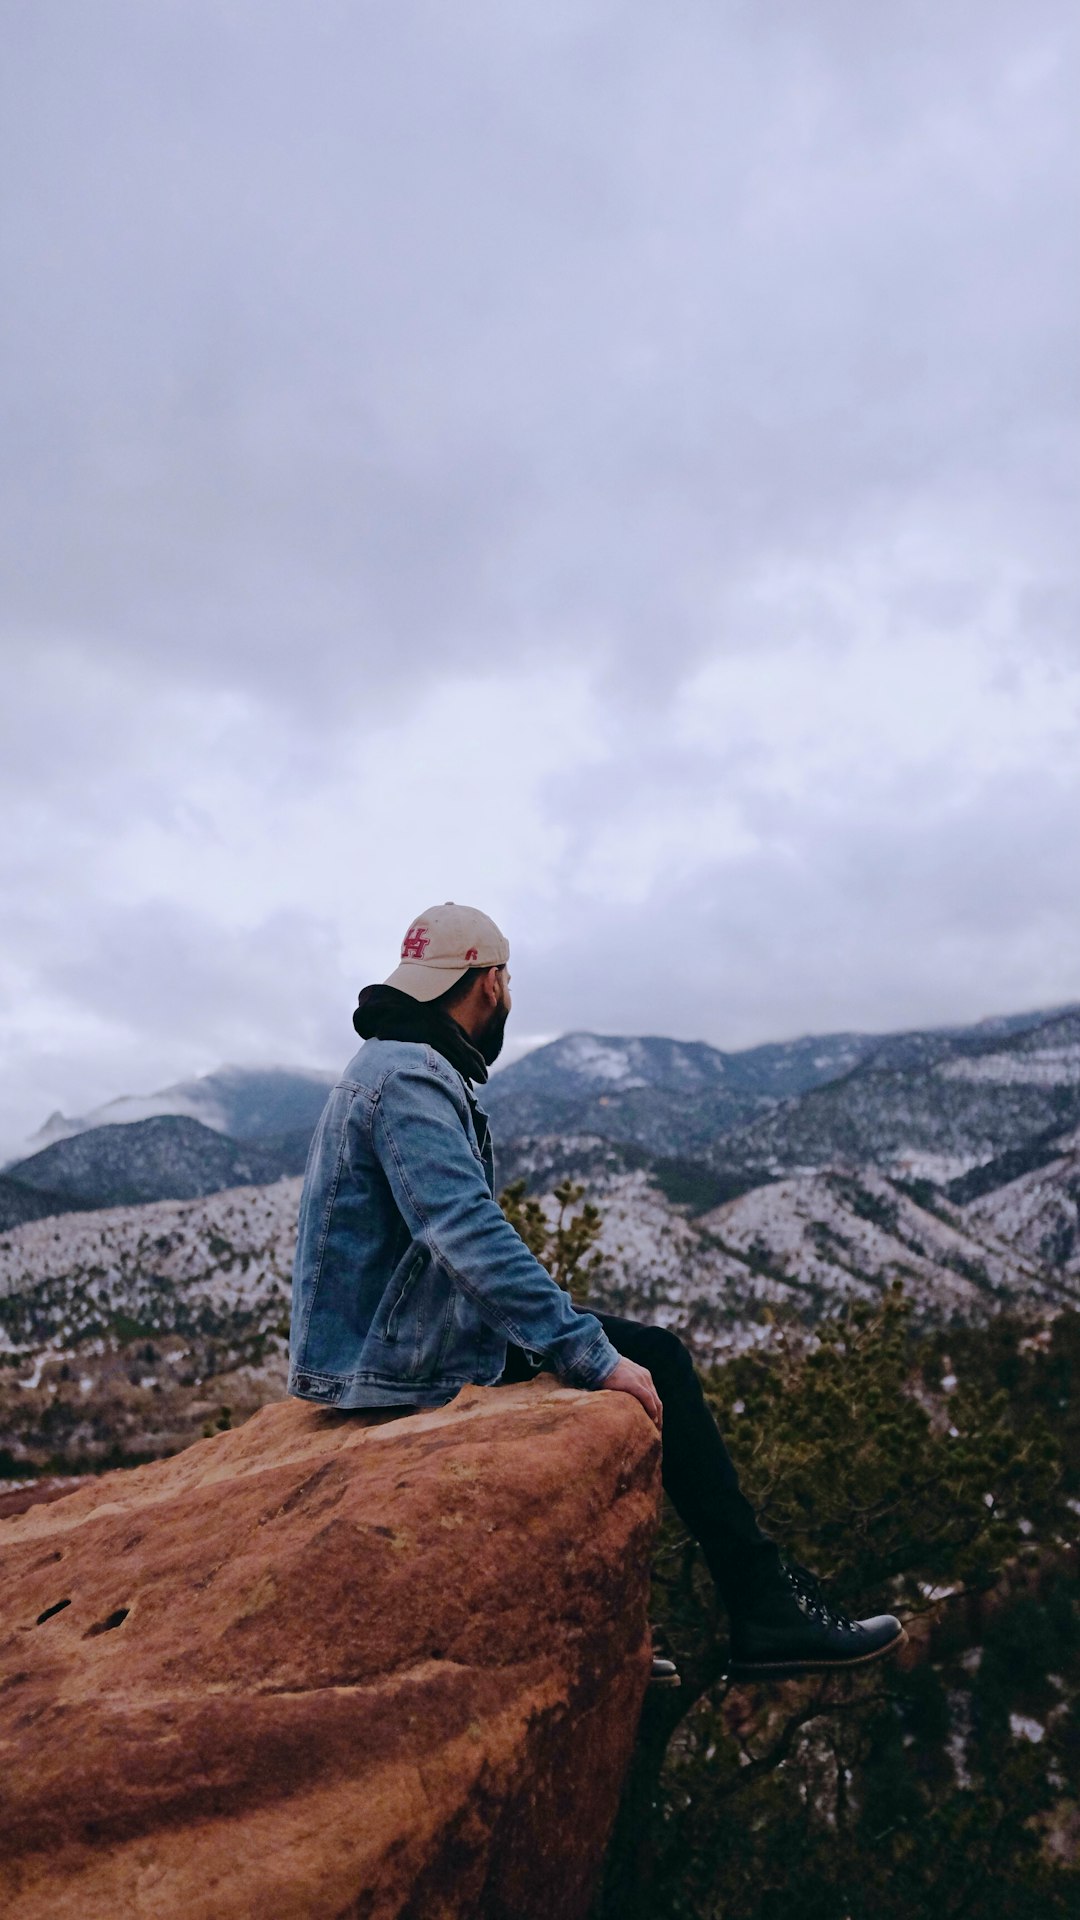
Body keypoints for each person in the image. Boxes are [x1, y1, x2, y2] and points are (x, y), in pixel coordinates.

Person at [289, 902, 905, 1681]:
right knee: (651, 1365)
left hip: (398, 1334)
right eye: (502, 982)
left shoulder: (392, 1062)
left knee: (645, 1355)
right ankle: (759, 1611)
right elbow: (462, 1227)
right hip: (400, 1353)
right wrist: (584, 1352)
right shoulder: (409, 1074)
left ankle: (625, 1630)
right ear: (491, 984)